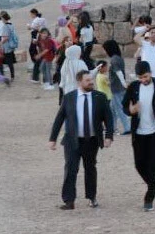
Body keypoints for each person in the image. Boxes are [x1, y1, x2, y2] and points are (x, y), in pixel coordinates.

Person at [48, 69, 114, 209]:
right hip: (72, 140)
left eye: (91, 80)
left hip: (91, 140)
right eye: (87, 81)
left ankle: (91, 197)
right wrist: (52, 138)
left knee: (90, 169)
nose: (91, 83)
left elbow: (108, 118)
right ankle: (69, 200)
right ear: (79, 82)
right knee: (70, 169)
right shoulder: (69, 97)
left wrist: (108, 136)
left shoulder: (100, 97)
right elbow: (60, 118)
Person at [124, 61, 155, 212]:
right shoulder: (133, 87)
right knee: (139, 164)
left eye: (145, 76)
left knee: (154, 165)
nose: (143, 80)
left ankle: (149, 197)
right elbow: (125, 105)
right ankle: (152, 185)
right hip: (138, 133)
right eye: (140, 77)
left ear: (150, 73)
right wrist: (130, 110)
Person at [102, 40, 131, 135]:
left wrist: (124, 84)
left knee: (119, 109)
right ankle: (112, 128)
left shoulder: (114, 60)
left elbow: (119, 73)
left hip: (117, 88)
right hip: (117, 88)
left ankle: (127, 127)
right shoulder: (119, 58)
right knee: (112, 109)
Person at [0, 11, 18, 80]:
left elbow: (5, 38)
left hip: (6, 47)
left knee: (0, 61)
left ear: (3, 18)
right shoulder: (11, 25)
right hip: (10, 46)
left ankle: (2, 76)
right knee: (10, 63)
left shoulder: (5, 26)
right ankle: (12, 76)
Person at [28, 9, 47, 83]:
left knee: (39, 62)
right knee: (40, 62)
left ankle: (37, 78)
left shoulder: (41, 33)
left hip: (41, 52)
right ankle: (38, 78)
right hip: (41, 51)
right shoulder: (42, 32)